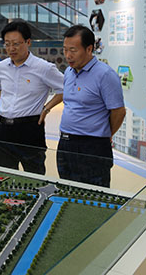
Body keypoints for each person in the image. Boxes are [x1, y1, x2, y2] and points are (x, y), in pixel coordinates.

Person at [57, 25, 125, 187]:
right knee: (66, 190)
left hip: (92, 146)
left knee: (94, 194)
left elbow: (118, 112)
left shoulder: (105, 75)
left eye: (73, 50)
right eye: (65, 50)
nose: (68, 55)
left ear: (89, 49)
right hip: (66, 143)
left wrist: (104, 134)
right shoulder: (69, 72)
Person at [0, 21, 64, 174]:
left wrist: (46, 108)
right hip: (3, 129)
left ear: (28, 42)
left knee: (34, 177)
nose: (11, 49)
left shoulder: (44, 67)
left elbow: (65, 89)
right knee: (4, 176)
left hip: (29, 129)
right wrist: (5, 104)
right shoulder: (1, 66)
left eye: (16, 44)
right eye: (7, 44)